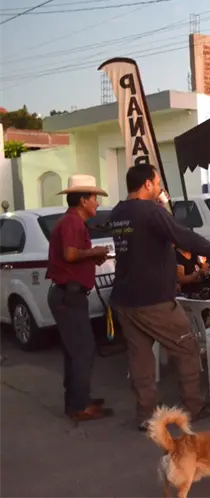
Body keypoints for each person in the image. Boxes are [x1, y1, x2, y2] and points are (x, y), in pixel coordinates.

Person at [110, 164, 210, 431]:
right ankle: (193, 406)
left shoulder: (119, 212)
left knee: (140, 358)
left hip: (125, 298)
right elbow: (183, 236)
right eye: (158, 182)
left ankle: (147, 416)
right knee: (186, 348)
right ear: (148, 184)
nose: (161, 187)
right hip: (153, 298)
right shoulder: (150, 211)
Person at [46, 175, 113, 422]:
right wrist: (94, 252)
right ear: (83, 200)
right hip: (69, 295)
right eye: (94, 198)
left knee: (75, 351)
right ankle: (79, 405)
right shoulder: (72, 222)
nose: (97, 203)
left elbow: (74, 256)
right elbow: (71, 254)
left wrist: (92, 257)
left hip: (68, 294)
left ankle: (77, 399)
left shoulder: (73, 222)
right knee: (83, 350)